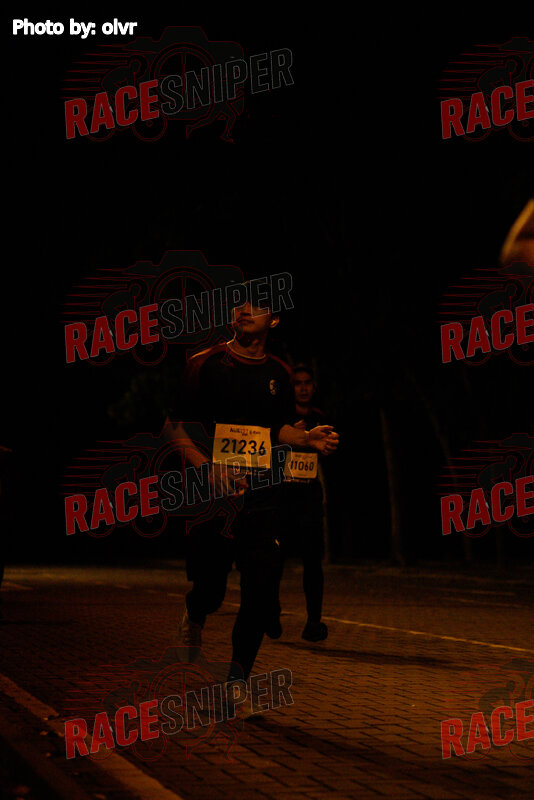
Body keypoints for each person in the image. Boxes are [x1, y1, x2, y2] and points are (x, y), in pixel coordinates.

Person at [166, 285, 339, 684]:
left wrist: (306, 438)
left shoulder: (279, 373)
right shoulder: (204, 363)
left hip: (262, 498)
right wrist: (207, 467)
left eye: (256, 305)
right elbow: (174, 426)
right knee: (210, 590)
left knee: (260, 593)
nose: (243, 310)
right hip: (212, 497)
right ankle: (195, 612)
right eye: (238, 304)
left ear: (273, 320)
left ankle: (237, 682)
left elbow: (276, 428)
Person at [280, 365, 330, 642]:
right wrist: (291, 437)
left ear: (314, 386)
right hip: (282, 497)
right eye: (297, 383)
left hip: (309, 497)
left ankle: (314, 621)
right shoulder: (281, 417)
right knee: (275, 560)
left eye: (307, 382)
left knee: (313, 562)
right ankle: (270, 612)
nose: (303, 388)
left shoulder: (321, 418)